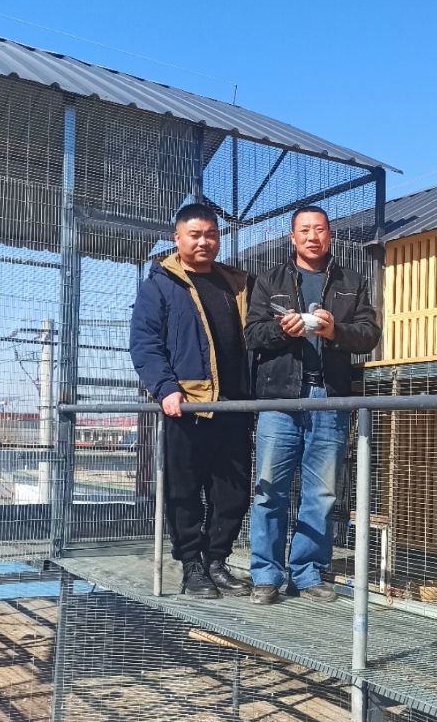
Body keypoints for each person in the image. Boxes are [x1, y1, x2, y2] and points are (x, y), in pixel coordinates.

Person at [245, 206, 381, 605]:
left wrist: (335, 330)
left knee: (321, 494)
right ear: (292, 237)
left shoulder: (351, 282)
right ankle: (266, 575)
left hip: (329, 397)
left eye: (319, 229)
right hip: (279, 399)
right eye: (304, 230)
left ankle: (307, 573)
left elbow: (369, 334)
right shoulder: (269, 281)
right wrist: (281, 330)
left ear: (329, 235)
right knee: (269, 491)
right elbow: (252, 334)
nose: (312, 236)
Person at [130, 203, 252, 599]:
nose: (204, 242)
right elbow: (145, 343)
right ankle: (192, 566)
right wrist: (166, 388)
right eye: (195, 235)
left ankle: (217, 560)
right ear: (177, 238)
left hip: (235, 404)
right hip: (188, 405)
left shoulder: (236, 284)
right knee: (184, 491)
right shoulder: (160, 285)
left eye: (211, 234)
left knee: (233, 492)